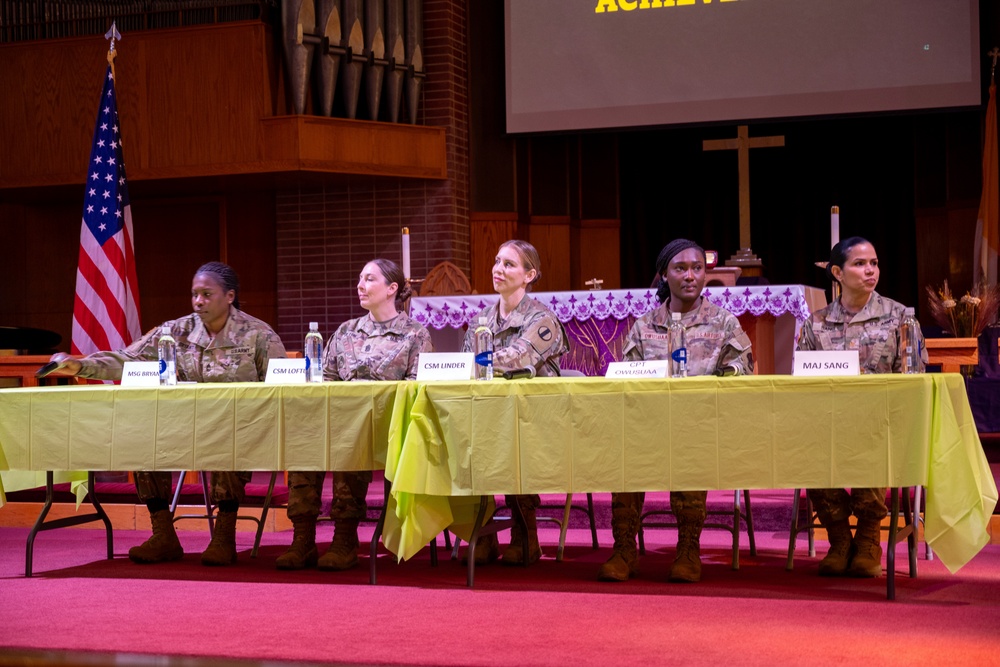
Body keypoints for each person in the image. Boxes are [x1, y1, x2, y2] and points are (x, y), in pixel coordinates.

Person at [48, 262, 286, 566]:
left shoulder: (257, 334)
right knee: (145, 439)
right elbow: (127, 358)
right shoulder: (175, 331)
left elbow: (281, 386)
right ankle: (163, 534)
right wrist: (81, 365)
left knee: (229, 438)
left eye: (206, 294)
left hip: (239, 428)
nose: (198, 301)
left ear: (229, 296)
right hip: (186, 427)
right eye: (194, 294)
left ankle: (224, 535)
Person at [598, 239, 753, 584]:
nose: (690, 276)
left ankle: (687, 549)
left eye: (697, 268)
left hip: (698, 425)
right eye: (680, 269)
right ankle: (624, 549)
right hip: (649, 425)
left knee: (690, 449)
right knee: (624, 453)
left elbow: (742, 370)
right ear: (664, 275)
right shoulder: (645, 325)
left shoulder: (723, 322)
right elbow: (626, 377)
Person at [277, 259, 432, 571]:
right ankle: (303, 538)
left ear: (392, 289)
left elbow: (419, 390)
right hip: (341, 421)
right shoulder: (347, 331)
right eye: (360, 278)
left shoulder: (415, 334)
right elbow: (326, 380)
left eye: (369, 279)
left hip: (387, 426)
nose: (360, 285)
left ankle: (345, 537)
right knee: (305, 444)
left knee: (352, 442)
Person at [796, 236, 927, 577]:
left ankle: (869, 537)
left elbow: (913, 374)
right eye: (860, 264)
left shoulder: (899, 316)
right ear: (837, 272)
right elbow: (801, 383)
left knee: (873, 441)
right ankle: (839, 539)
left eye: (874, 263)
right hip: (829, 424)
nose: (870, 271)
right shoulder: (816, 323)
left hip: (879, 423)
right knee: (807, 447)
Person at [462, 239, 569, 566]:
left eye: (509, 264)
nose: (498, 269)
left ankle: (526, 535)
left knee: (510, 439)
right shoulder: (482, 319)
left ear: (529, 274)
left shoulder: (542, 318)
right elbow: (468, 365)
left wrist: (480, 362)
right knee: (463, 439)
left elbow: (518, 358)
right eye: (497, 261)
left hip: (534, 419)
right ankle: (482, 532)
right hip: (489, 413)